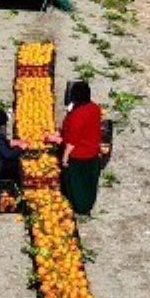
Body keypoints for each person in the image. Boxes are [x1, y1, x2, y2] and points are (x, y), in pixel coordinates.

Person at [50, 81, 104, 216]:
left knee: (76, 183)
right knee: (89, 182)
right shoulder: (95, 108)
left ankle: (79, 206)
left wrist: (64, 158)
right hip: (92, 153)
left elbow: (72, 142)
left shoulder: (76, 116)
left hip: (79, 156)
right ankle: (88, 204)